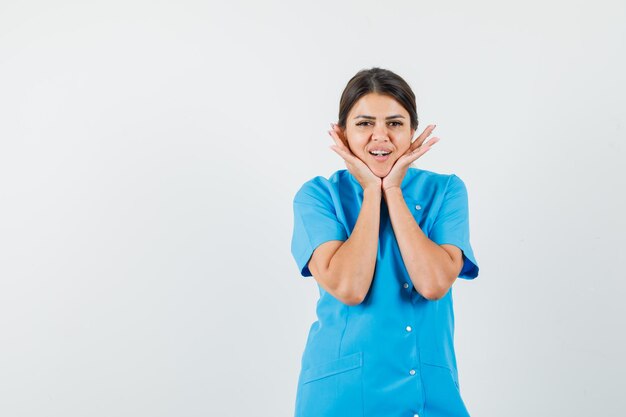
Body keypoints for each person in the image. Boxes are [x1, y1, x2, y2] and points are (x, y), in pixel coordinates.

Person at [290, 67, 480, 417]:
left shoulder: (446, 191)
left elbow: (434, 283)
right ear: (343, 132)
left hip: (429, 394)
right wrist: (370, 192)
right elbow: (349, 287)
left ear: (412, 133)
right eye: (364, 124)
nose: (381, 136)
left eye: (395, 123)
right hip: (340, 397)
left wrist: (391, 189)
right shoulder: (318, 195)